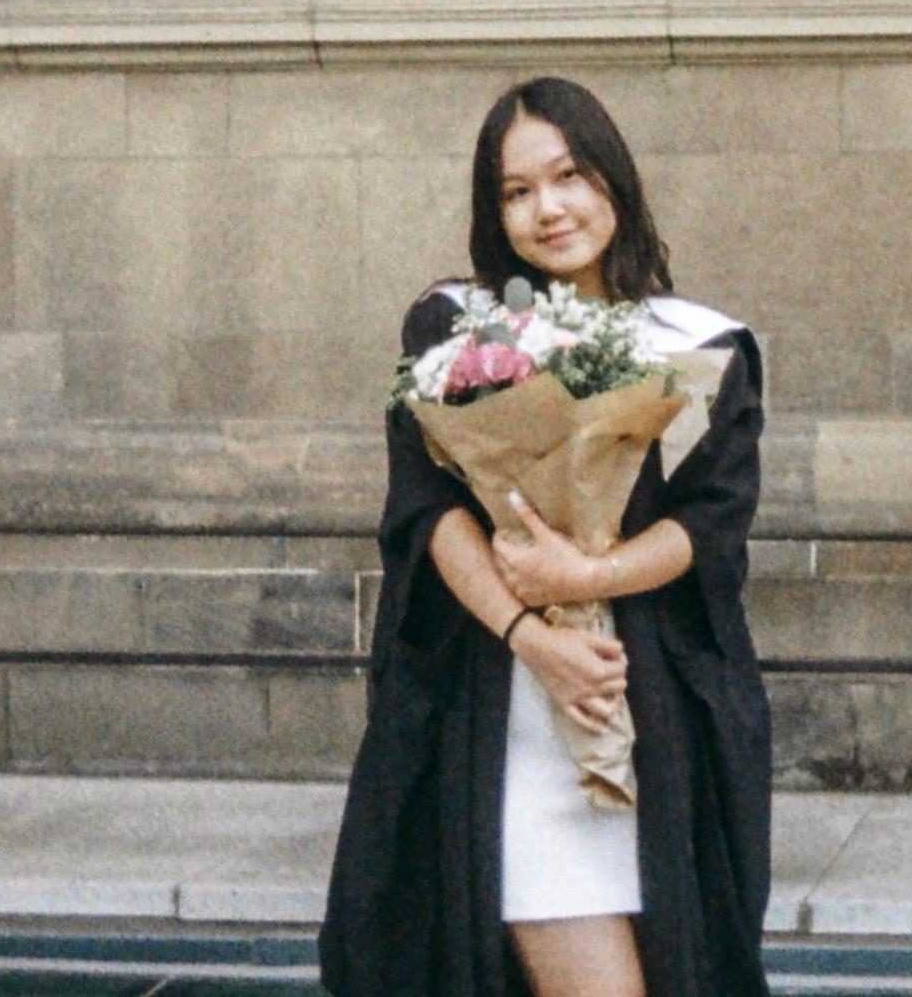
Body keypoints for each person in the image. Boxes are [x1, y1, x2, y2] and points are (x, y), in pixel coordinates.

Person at [319, 77, 772, 997]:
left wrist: (588, 569)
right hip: (511, 726)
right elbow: (426, 512)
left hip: (649, 727)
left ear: (614, 179)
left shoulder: (695, 346)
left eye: (568, 176)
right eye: (516, 191)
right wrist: (534, 637)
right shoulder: (461, 328)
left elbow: (710, 525)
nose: (547, 208)